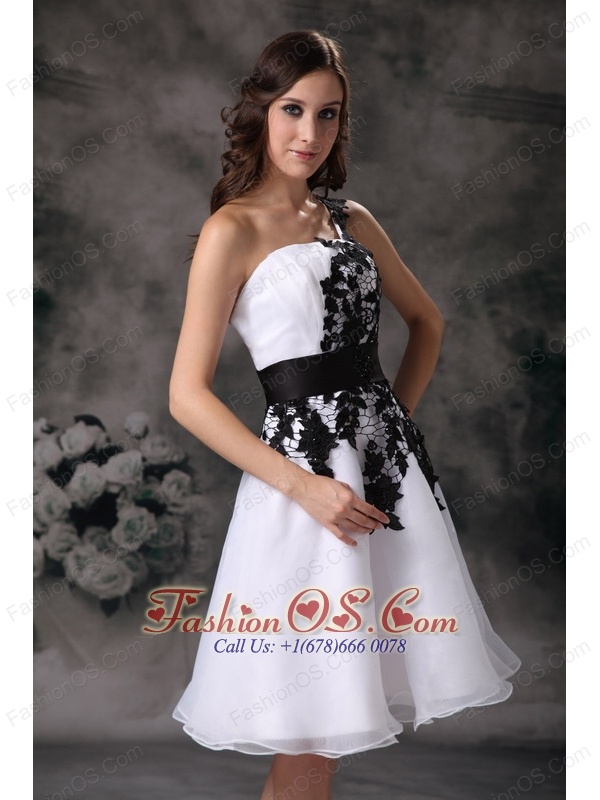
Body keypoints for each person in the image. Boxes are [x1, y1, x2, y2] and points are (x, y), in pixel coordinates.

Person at [169, 29, 521, 800]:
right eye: (293, 109)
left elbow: (427, 322)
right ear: (262, 112)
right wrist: (306, 486)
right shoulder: (232, 230)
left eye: (328, 114)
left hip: (379, 483)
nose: (310, 132)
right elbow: (186, 395)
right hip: (301, 492)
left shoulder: (351, 219)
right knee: (309, 724)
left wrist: (390, 432)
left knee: (328, 732)